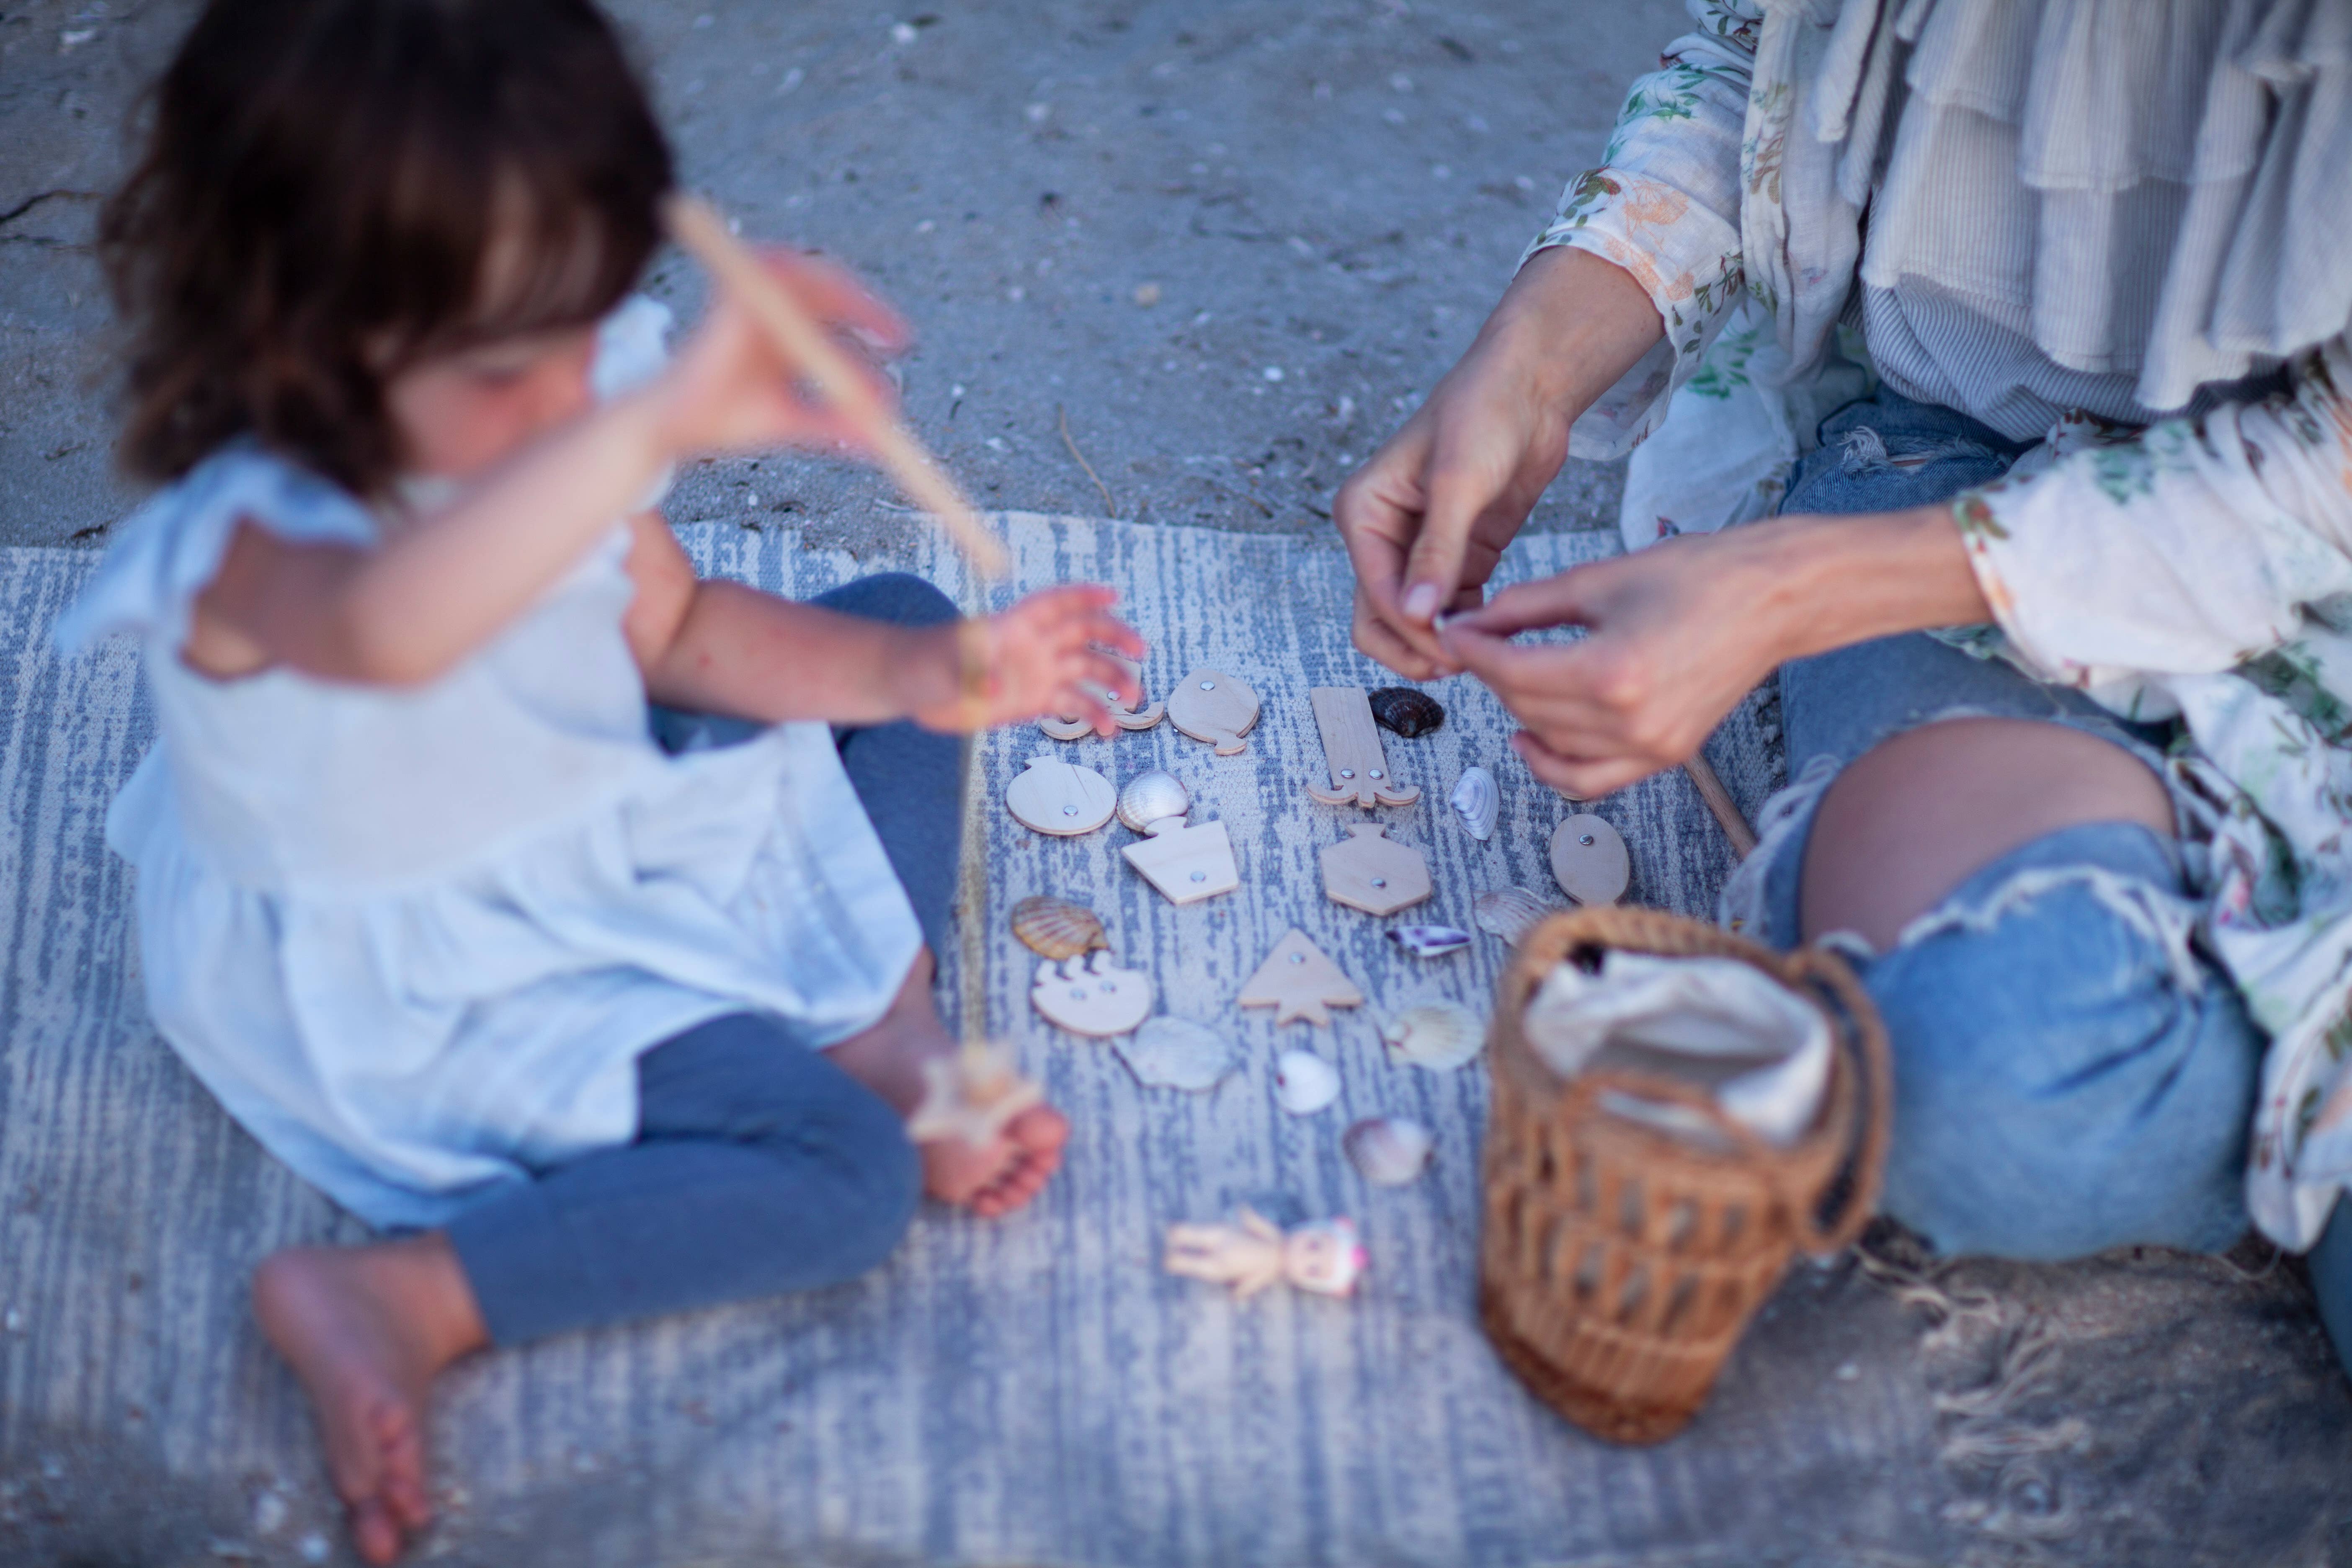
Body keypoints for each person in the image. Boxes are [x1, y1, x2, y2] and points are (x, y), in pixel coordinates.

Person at [64, 0, 1142, 1558]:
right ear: (297, 336)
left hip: (587, 805)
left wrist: (932, 684)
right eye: (524, 361)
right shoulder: (255, 544)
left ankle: (886, 1027)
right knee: (841, 1185)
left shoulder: (554, 391)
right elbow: (388, 624)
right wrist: (644, 420)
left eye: (595, 328)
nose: (575, 391)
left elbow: (681, 631)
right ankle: (417, 1290)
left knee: (906, 629)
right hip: (442, 970)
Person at [1337, 0, 2352, 1368]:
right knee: (1996, 1085)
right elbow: (1760, 65)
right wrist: (1531, 365)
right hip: (1946, 473)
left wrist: (1780, 595)